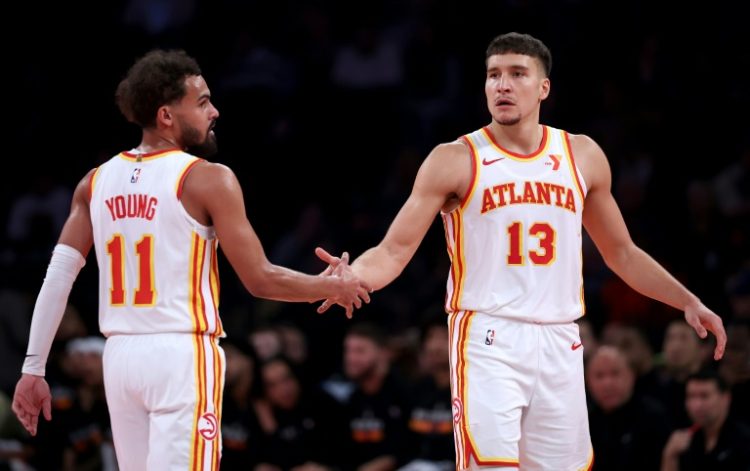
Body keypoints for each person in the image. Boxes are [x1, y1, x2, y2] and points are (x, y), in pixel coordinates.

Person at [318, 32, 726, 470]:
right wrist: (355, 275)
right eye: (493, 75)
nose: (502, 85)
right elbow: (394, 250)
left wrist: (686, 300)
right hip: (488, 334)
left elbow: (622, 253)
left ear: (543, 87)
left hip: (560, 337)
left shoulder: (581, 154)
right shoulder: (455, 158)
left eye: (516, 74)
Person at [11, 49, 369, 470]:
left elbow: (58, 276)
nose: (214, 111)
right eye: (201, 102)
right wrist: (329, 285)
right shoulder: (206, 178)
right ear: (166, 115)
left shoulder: (95, 181)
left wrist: (33, 367)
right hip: (180, 355)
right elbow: (259, 278)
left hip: (121, 358)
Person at [661, 369, 750, 471]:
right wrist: (670, 456)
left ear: (725, 398)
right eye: (691, 396)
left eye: (704, 396)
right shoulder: (687, 439)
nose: (697, 406)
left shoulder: (743, 440)